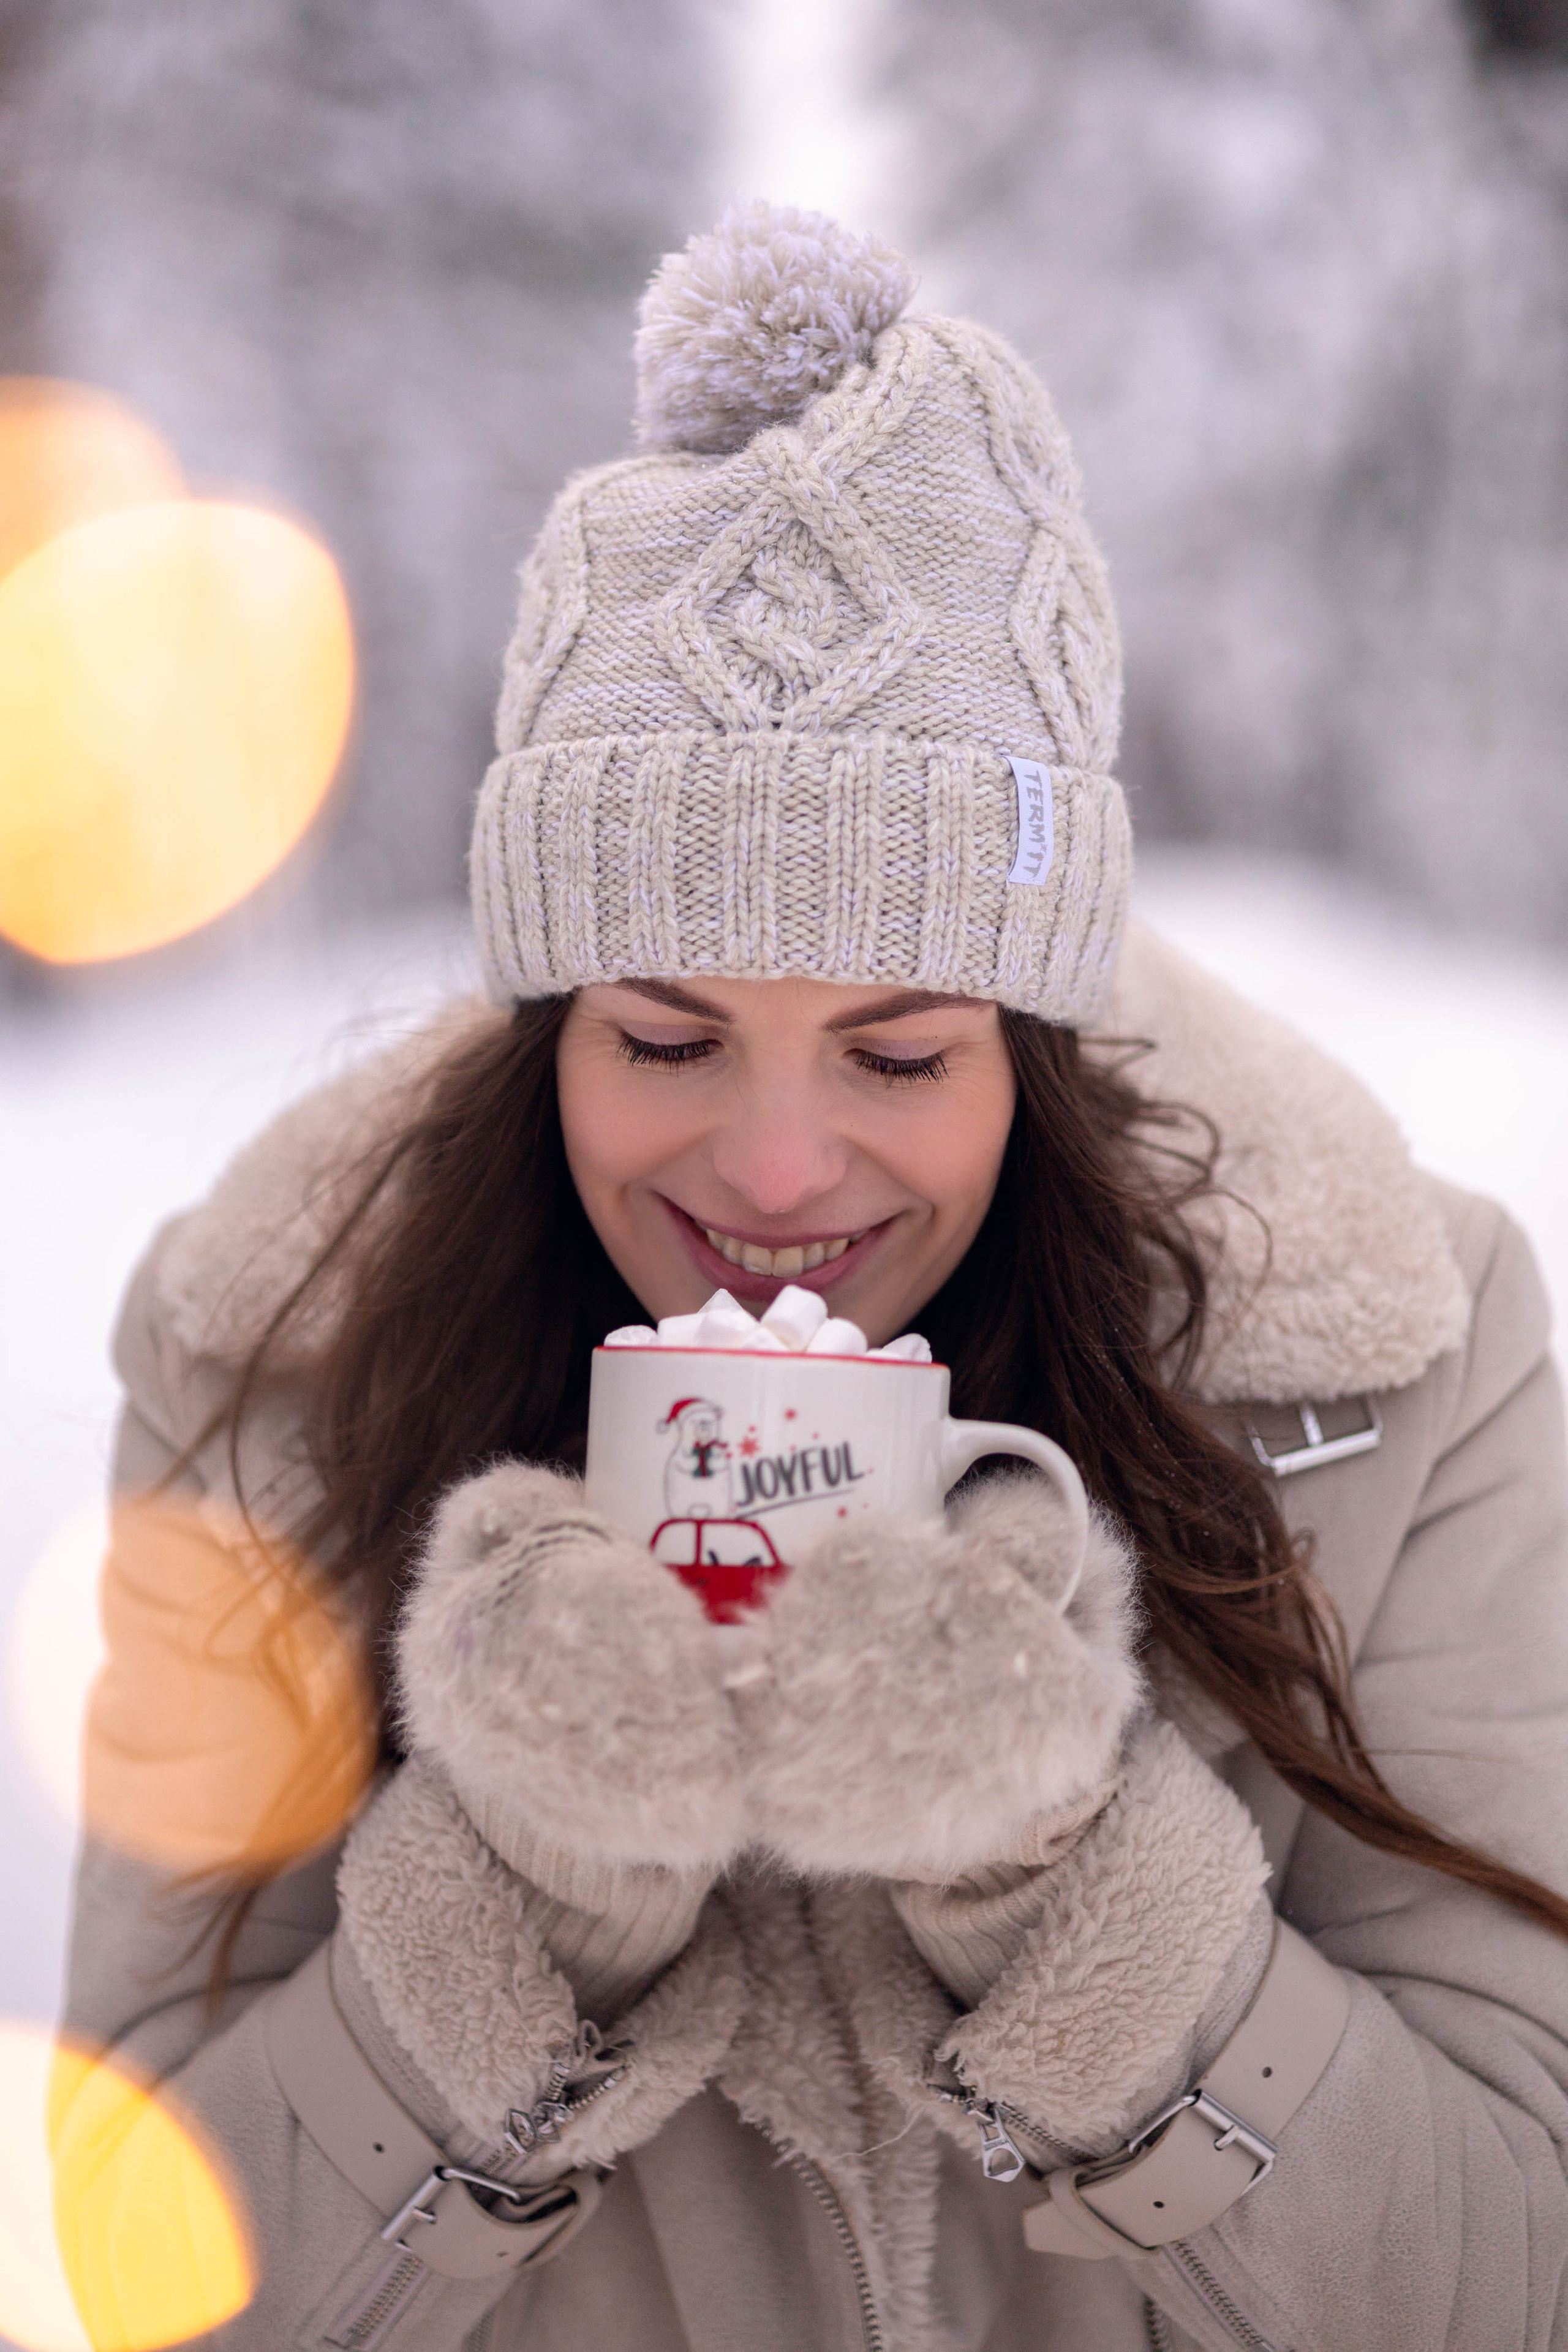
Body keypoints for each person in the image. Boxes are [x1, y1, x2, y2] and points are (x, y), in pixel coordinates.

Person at [56, 203, 1568, 2352]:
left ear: (1034, 1050)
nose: (774, 1172)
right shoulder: (277, 1378)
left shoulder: (1393, 1374)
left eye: (901, 1056)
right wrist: (520, 1906)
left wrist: (1059, 1873)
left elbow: (1519, 2271)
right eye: (664, 1041)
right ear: (550, 1030)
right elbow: (124, 2281)